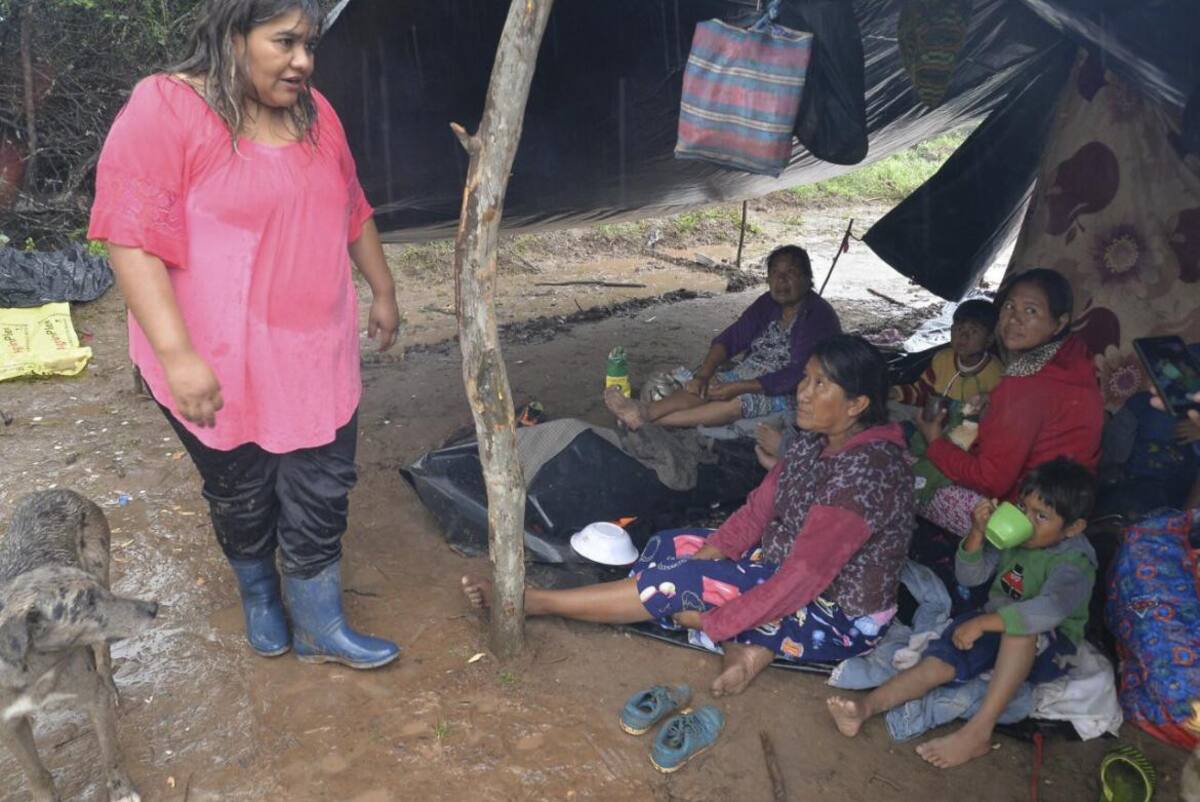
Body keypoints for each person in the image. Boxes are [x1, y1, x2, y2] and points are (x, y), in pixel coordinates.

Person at [88, 0, 401, 669]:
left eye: (310, 44)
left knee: (322, 486)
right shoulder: (167, 109)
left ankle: (320, 623)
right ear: (232, 36)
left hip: (315, 353)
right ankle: (260, 597)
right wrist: (177, 357)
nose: (303, 61)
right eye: (284, 42)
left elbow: (351, 205)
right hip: (216, 362)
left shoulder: (316, 114)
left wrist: (383, 288)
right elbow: (130, 238)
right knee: (240, 490)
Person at [466, 335, 913, 696]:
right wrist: (708, 557)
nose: (802, 392)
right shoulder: (818, 441)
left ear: (856, 405)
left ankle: (535, 602)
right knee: (671, 546)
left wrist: (713, 618)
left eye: (821, 385)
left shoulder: (867, 474)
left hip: (833, 612)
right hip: (781, 566)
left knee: (675, 582)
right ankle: (746, 645)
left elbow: (804, 577)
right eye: (807, 379)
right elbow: (759, 511)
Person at [827, 457, 1097, 769]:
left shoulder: (1074, 561)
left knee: (1021, 631)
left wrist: (984, 622)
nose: (1027, 520)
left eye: (1041, 516)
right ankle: (864, 708)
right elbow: (971, 577)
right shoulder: (1021, 537)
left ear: (1073, 528)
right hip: (997, 621)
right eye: (1023, 509)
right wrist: (977, 533)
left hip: (1051, 643)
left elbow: (1049, 610)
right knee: (941, 660)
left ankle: (977, 733)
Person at [914, 268, 1104, 536]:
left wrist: (934, 441)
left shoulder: (1025, 386)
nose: (1014, 319)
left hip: (1029, 518)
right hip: (1070, 502)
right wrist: (995, 406)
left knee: (908, 475)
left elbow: (990, 481)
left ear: (1058, 323)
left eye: (1031, 311)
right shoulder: (1073, 354)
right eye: (1010, 306)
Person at [604, 244, 840, 430]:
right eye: (775, 273)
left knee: (736, 403)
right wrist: (704, 375)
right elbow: (730, 339)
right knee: (708, 387)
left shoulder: (818, 316)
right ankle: (645, 412)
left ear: (808, 279)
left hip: (792, 390)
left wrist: (741, 387)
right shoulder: (767, 304)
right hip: (749, 374)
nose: (781, 281)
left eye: (790, 274)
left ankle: (651, 422)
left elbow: (798, 373)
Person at [891, 298, 1003, 409]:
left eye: (973, 331)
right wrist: (894, 392)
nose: (963, 336)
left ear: (989, 340)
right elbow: (922, 393)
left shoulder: (996, 374)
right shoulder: (942, 359)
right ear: (951, 330)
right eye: (959, 329)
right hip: (930, 419)